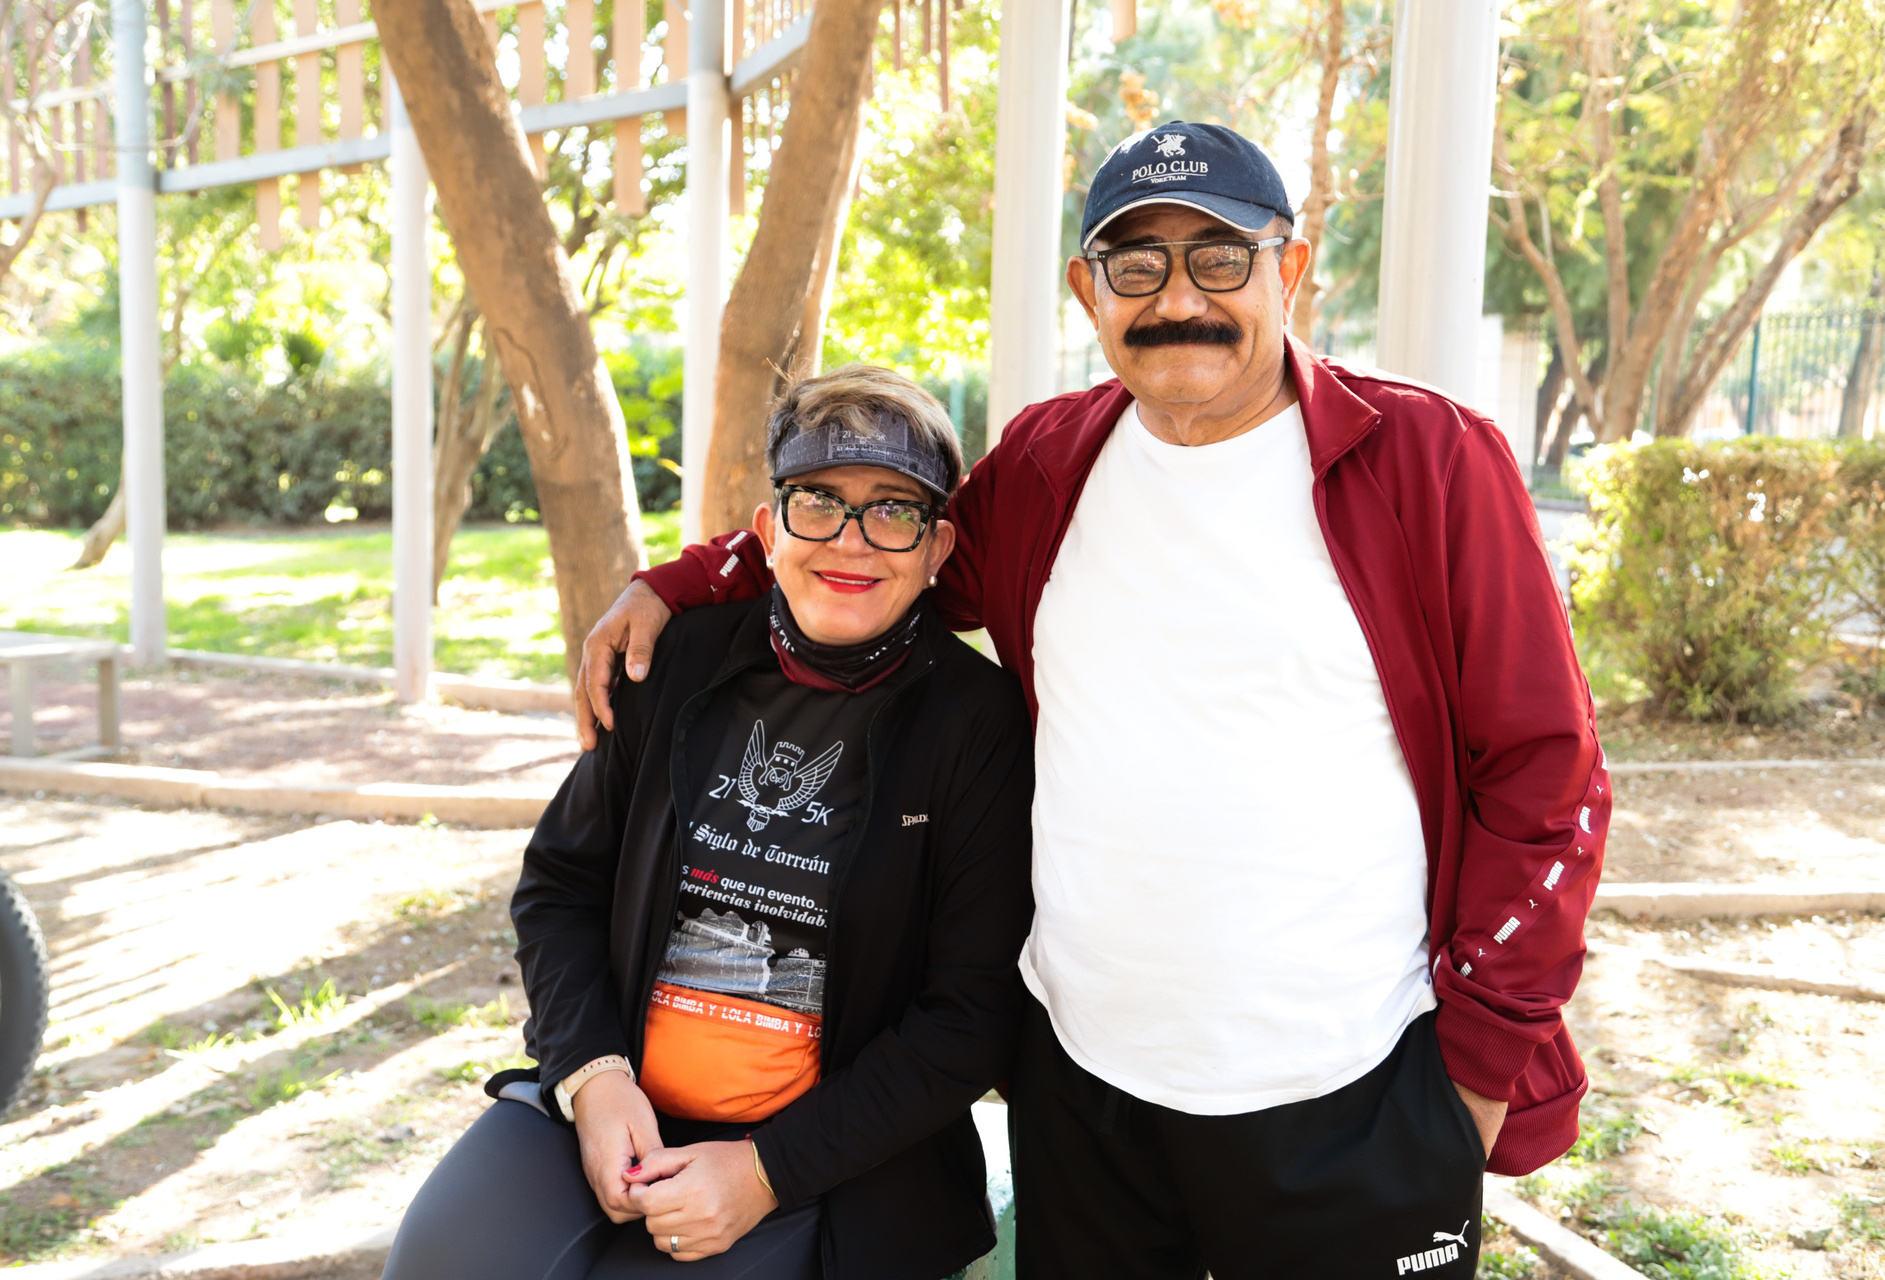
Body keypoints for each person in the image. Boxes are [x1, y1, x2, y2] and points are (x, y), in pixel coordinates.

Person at [577, 121, 1612, 1280]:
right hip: (1084, 1091)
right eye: (1137, 264)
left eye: (1219, 256)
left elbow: (1547, 769)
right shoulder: (1050, 463)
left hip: (1353, 1089)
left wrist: (1474, 1075)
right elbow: (881, 548)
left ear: (1292, 268)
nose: (1179, 298)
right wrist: (685, 580)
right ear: (1087, 288)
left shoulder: (1426, 460)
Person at [382, 366, 1034, 1280]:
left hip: (834, 1157)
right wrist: (593, 1079)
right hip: (617, 1104)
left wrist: (768, 1171)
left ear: (937, 550)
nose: (852, 540)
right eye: (818, 503)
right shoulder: (673, 664)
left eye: (894, 511)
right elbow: (561, 885)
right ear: (769, 533)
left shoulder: (976, 724)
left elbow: (970, 1017)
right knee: (443, 1261)